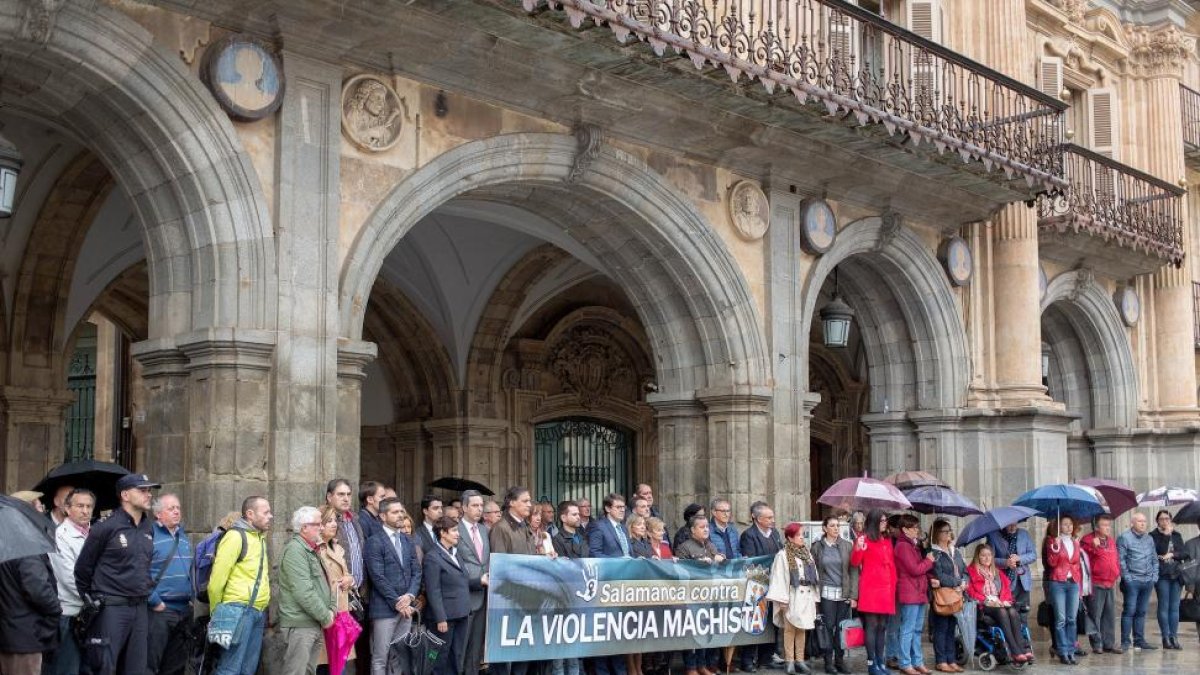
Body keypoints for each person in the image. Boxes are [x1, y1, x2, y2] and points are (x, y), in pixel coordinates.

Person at [74, 473, 159, 675]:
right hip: (111, 607)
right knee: (105, 667)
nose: (148, 494)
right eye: (142, 490)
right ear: (125, 495)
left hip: (139, 608)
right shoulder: (106, 527)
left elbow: (144, 566)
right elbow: (83, 569)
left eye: (149, 490)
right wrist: (94, 601)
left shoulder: (149, 527)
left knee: (136, 669)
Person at [208, 496, 273, 675]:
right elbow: (216, 581)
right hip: (237, 610)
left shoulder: (259, 537)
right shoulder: (235, 536)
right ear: (250, 514)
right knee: (230, 669)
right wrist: (216, 612)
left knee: (247, 670)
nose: (271, 516)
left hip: (257, 611)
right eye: (266, 512)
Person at [366, 497, 421, 675]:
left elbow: (416, 571)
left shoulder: (407, 540)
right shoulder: (375, 541)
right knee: (380, 657)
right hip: (385, 608)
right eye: (395, 512)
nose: (400, 515)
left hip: (406, 608)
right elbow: (377, 576)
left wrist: (411, 596)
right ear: (383, 515)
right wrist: (399, 602)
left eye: (401, 511)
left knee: (400, 655)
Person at [278, 506, 336, 675]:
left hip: (312, 622)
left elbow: (327, 583)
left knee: (309, 671)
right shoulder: (296, 550)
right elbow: (304, 592)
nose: (322, 527)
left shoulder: (311, 549)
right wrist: (326, 616)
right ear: (304, 527)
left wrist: (330, 610)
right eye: (318, 524)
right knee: (296, 671)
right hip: (301, 624)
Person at [489, 487, 540, 675]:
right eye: (525, 501)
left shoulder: (524, 526)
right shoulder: (501, 528)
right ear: (511, 503)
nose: (529, 504)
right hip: (508, 600)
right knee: (502, 654)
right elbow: (500, 566)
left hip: (526, 598)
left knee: (523, 651)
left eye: (529, 500)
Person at [147, 494, 194, 675]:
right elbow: (140, 572)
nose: (176, 511)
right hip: (159, 610)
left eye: (178, 508)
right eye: (171, 508)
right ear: (158, 514)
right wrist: (154, 600)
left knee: (176, 666)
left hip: (183, 610)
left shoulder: (182, 537)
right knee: (151, 663)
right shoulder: (150, 535)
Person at [0, 530, 60, 675]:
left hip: (9, 633)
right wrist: (56, 610)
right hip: (26, 635)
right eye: (38, 506)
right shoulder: (24, 548)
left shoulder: (5, 544)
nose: (41, 509)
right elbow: (38, 590)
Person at [49, 488, 94, 675]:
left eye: (89, 506)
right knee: (68, 669)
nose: (85, 511)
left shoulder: (96, 534)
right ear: (67, 509)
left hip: (92, 613)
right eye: (80, 506)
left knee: (89, 669)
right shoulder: (60, 536)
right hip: (70, 614)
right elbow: (69, 578)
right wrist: (97, 596)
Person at [767, 523, 819, 675]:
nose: (802, 537)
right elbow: (778, 577)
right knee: (790, 630)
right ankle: (789, 661)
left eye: (803, 534)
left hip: (806, 595)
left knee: (802, 628)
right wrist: (782, 599)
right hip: (791, 595)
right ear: (790, 538)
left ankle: (800, 660)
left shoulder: (807, 554)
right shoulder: (782, 555)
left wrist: (815, 597)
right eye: (798, 535)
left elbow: (814, 576)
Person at [676, 515, 725, 675]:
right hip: (691, 595)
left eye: (707, 527)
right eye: (702, 527)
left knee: (705, 630)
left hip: (709, 595)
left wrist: (720, 557)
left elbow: (720, 562)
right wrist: (699, 563)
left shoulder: (710, 545)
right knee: (691, 632)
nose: (706, 529)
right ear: (692, 530)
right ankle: (691, 667)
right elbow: (680, 571)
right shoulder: (684, 547)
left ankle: (702, 665)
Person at [850, 509, 896, 675]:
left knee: (883, 626)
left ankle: (879, 661)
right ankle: (871, 664)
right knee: (872, 625)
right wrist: (859, 548)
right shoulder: (864, 538)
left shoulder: (887, 539)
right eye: (882, 520)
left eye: (886, 520)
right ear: (874, 521)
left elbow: (891, 564)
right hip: (871, 588)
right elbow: (855, 562)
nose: (885, 523)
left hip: (887, 588)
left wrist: (894, 584)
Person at [966, 544, 1029, 663]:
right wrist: (988, 601)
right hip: (983, 605)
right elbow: (971, 592)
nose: (986, 558)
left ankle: (1022, 649)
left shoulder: (997, 572)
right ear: (977, 557)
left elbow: (1006, 589)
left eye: (989, 555)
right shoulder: (971, 571)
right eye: (983, 555)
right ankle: (1015, 651)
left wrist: (1004, 601)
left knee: (1011, 610)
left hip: (999, 602)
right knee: (1002, 612)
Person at [425, 516, 471, 675]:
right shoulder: (433, 556)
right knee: (439, 655)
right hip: (445, 617)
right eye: (454, 531)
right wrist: (440, 618)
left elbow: (462, 580)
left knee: (456, 654)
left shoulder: (455, 553)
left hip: (461, 613)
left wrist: (480, 581)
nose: (457, 534)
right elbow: (433, 590)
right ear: (442, 533)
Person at [739, 501, 781, 673]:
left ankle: (766, 657)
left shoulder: (775, 533)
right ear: (757, 519)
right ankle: (747, 659)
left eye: (772, 516)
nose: (772, 520)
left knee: (772, 621)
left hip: (775, 584)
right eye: (768, 517)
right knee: (754, 620)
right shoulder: (748, 535)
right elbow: (751, 560)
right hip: (757, 585)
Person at [317, 504, 357, 672]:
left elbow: (347, 574)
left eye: (335, 520)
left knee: (340, 662)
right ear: (319, 524)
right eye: (329, 521)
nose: (334, 524)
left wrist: (350, 579)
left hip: (342, 612)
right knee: (324, 664)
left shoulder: (338, 547)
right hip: (325, 612)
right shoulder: (315, 549)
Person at [813, 516, 854, 675]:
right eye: (832, 526)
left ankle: (840, 660)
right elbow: (813, 570)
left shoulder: (847, 546)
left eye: (838, 525)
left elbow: (853, 572)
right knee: (828, 628)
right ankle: (828, 662)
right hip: (826, 594)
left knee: (841, 629)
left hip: (843, 594)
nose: (836, 528)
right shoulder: (817, 547)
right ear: (824, 528)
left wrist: (853, 595)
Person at [892, 515, 933, 675]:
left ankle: (918, 662)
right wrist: (928, 561)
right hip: (909, 592)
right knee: (908, 629)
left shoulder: (913, 545)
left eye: (917, 527)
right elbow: (915, 569)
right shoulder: (903, 546)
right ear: (905, 529)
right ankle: (905, 663)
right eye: (914, 527)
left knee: (917, 630)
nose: (917, 530)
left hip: (919, 591)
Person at [551, 501, 588, 675]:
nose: (578, 516)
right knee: (559, 652)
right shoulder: (557, 540)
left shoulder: (582, 536)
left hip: (581, 597)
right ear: (563, 518)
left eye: (578, 514)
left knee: (574, 652)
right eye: (573, 514)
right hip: (564, 599)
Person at [927, 520, 967, 673]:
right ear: (937, 533)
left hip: (956, 595)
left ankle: (951, 659)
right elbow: (939, 575)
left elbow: (964, 570)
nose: (949, 533)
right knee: (941, 628)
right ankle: (941, 660)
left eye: (949, 530)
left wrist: (964, 582)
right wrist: (957, 582)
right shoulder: (934, 553)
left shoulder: (955, 551)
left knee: (952, 628)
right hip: (942, 596)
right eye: (945, 531)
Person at [458, 491, 491, 675]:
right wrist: (476, 580)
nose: (480, 509)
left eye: (481, 505)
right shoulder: (455, 530)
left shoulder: (485, 530)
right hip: (464, 596)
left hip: (484, 597)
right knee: (460, 648)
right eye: (475, 506)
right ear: (464, 508)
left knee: (475, 649)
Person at [1117, 512, 1158, 651]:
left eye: (1144, 521)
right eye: (1140, 521)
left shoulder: (1149, 539)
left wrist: (1154, 576)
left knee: (1141, 612)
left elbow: (1154, 559)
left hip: (1147, 581)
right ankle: (1125, 642)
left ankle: (1139, 640)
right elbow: (1121, 560)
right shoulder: (1124, 538)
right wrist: (1127, 578)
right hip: (1133, 581)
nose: (1143, 523)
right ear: (1132, 523)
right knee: (1129, 611)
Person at [1080, 515, 1120, 654]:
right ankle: (1097, 643)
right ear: (1096, 527)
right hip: (1096, 582)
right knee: (1095, 614)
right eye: (1104, 525)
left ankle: (1109, 643)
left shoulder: (1110, 541)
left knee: (1109, 615)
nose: (1108, 528)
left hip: (1110, 582)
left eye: (1108, 525)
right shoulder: (1087, 540)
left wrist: (1116, 571)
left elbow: (1114, 558)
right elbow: (1083, 559)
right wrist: (1093, 546)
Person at [1045, 515, 1082, 664]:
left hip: (1073, 583)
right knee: (1061, 619)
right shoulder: (1052, 541)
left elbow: (1077, 564)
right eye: (1065, 524)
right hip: (1058, 582)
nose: (1069, 527)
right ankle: (1062, 651)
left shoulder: (1076, 542)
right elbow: (1051, 563)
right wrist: (1056, 547)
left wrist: (1080, 584)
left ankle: (1071, 650)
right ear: (1059, 526)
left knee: (1072, 619)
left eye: (1070, 524)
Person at [1150, 509, 1188, 649]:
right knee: (1164, 606)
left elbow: (1184, 553)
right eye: (1162, 519)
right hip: (1162, 575)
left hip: (1176, 574)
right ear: (1157, 521)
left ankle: (1174, 636)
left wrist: (1172, 554)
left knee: (1175, 607)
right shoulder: (1152, 535)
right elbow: (1158, 551)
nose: (1165, 521)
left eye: (1167, 519)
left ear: (1170, 520)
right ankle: (1165, 637)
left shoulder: (1177, 535)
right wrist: (1166, 536)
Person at [984, 521, 1036, 622]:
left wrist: (1019, 558)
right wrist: (1005, 563)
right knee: (1009, 613)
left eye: (1015, 524)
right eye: (1009, 525)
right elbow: (988, 559)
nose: (1013, 527)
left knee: (1023, 611)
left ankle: (1023, 637)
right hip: (1004, 581)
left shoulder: (1024, 534)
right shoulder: (993, 536)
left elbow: (1033, 555)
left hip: (1023, 581)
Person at [326, 479, 367, 590]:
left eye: (349, 494)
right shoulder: (324, 522)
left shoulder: (356, 519)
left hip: (358, 591)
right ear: (329, 497)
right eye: (341, 494)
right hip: (337, 590)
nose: (346, 498)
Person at [589, 493, 632, 558]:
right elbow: (594, 553)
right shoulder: (599, 527)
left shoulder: (624, 528)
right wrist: (616, 561)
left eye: (623, 507)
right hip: (611, 567)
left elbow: (629, 553)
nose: (622, 510)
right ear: (607, 509)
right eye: (618, 507)